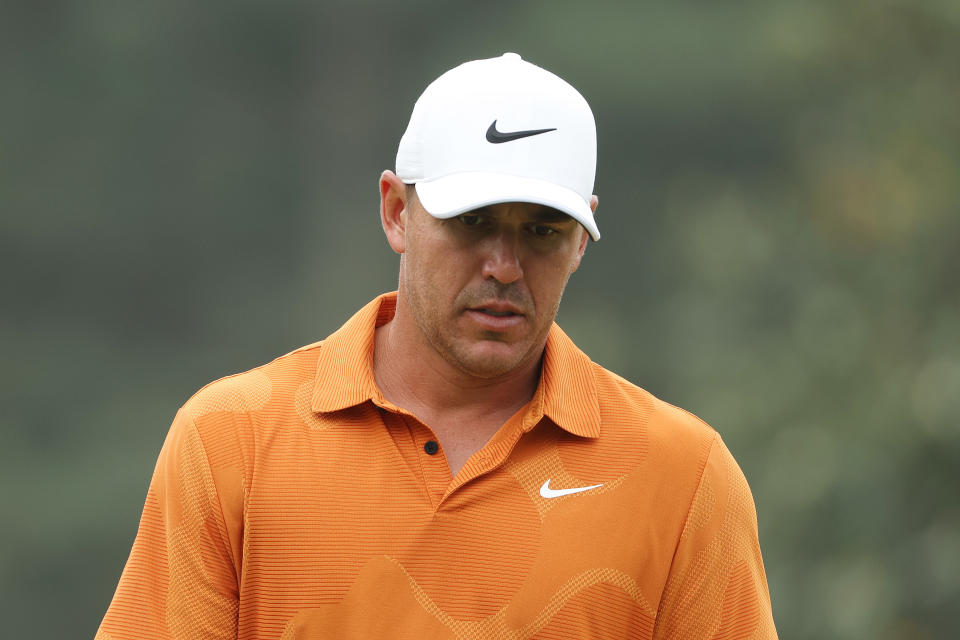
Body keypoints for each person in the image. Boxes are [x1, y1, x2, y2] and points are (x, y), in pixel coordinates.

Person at [97, 53, 778, 639]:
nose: (504, 266)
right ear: (397, 212)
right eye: (473, 223)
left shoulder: (682, 477)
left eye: (541, 232)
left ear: (581, 238)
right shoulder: (231, 442)